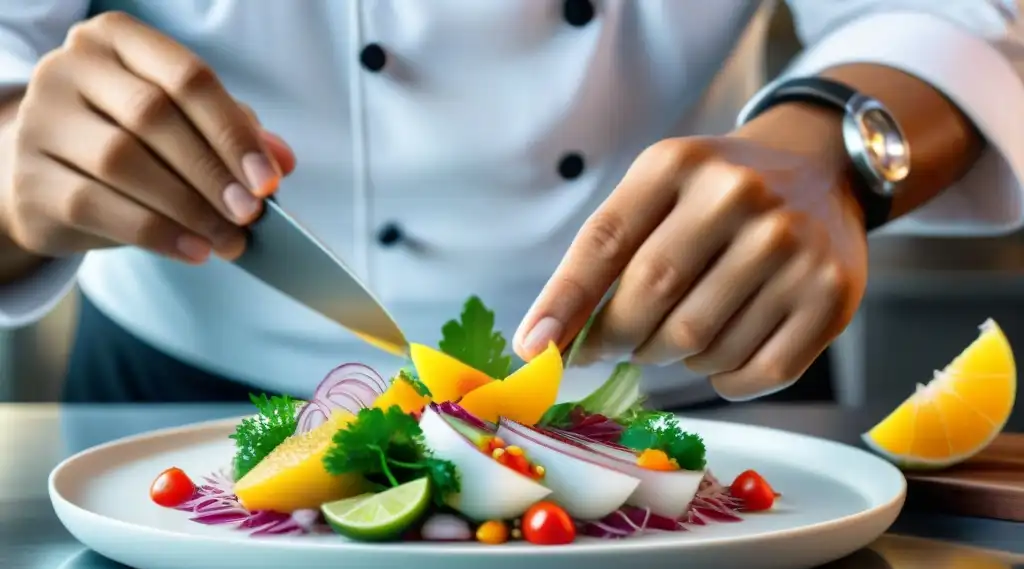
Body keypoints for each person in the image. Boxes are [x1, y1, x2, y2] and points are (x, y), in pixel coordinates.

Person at [0, 1, 1020, 405]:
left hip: (697, 388)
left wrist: (830, 143)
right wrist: (18, 166)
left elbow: (953, 14)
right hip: (187, 410)